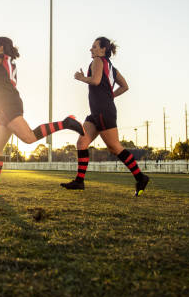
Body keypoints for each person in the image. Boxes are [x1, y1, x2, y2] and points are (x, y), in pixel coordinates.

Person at [0, 35, 85, 196]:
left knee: (29, 138)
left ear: (1, 48)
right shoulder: (0, 61)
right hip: (5, 106)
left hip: (8, 105)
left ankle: (66, 123)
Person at [60, 37, 150, 196]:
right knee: (82, 143)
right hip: (97, 112)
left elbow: (95, 81)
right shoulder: (112, 68)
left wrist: (81, 78)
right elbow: (125, 86)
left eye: (94, 47)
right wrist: (111, 96)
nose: (91, 49)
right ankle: (79, 182)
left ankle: (140, 177)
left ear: (103, 50)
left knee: (115, 147)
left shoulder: (98, 61)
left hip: (103, 111)